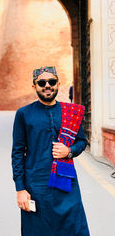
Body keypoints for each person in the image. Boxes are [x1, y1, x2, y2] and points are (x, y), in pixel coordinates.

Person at [11, 66, 90, 236]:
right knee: (38, 230)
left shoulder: (71, 112)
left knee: (73, 228)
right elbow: (17, 152)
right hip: (36, 185)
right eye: (42, 82)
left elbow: (82, 141)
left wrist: (69, 151)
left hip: (67, 183)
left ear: (58, 84)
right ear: (35, 86)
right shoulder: (24, 114)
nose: (47, 85)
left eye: (52, 82)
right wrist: (20, 189)